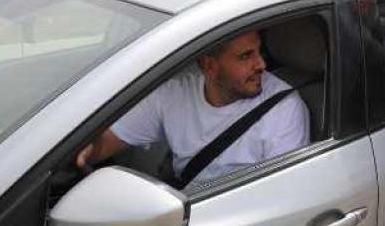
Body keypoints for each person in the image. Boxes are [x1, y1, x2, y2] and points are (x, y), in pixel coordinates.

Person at [76, 31, 310, 189]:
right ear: (210, 66)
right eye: (246, 56)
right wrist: (77, 152)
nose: (261, 65)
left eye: (259, 52)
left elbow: (281, 195)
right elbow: (103, 144)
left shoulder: (283, 108)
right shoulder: (174, 95)